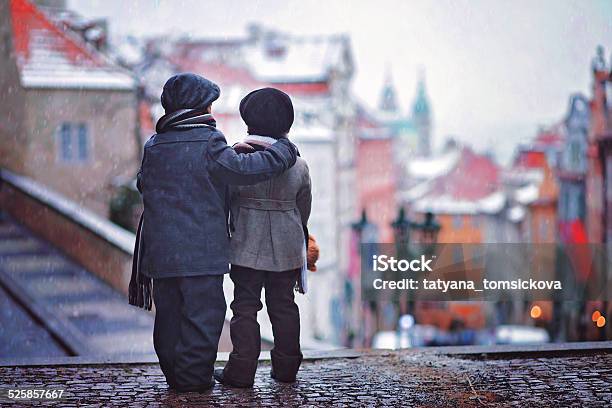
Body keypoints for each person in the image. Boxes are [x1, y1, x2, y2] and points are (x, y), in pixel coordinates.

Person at [129, 74, 298, 393]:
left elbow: (143, 184)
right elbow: (245, 170)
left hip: (160, 252)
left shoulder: (155, 144)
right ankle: (192, 381)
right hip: (199, 252)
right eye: (210, 103)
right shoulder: (209, 142)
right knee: (203, 316)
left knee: (170, 318)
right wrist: (283, 151)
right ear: (200, 106)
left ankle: (176, 375)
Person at [214, 88, 312, 388]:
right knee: (283, 306)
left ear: (248, 122)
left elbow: (226, 200)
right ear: (286, 125)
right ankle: (286, 366)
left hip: (245, 244)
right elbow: (303, 208)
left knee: (244, 307)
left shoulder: (237, 160)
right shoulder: (298, 165)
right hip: (286, 246)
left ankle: (242, 369)